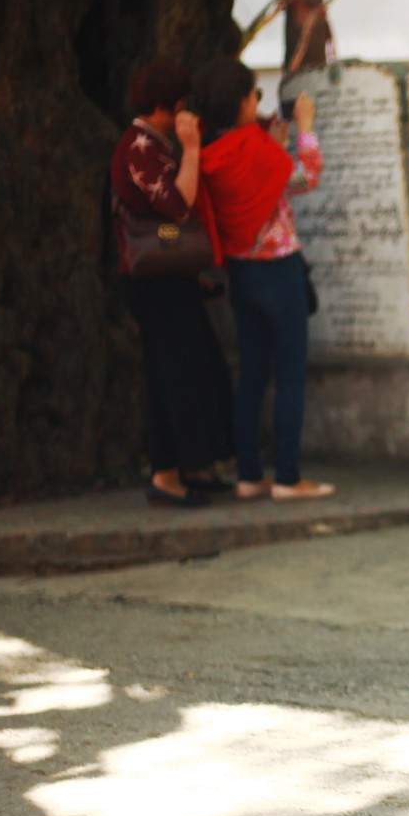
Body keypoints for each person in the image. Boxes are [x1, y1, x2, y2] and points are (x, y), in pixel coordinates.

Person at [191, 59, 335, 501]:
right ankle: (289, 478)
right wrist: (305, 128)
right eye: (254, 95)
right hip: (279, 269)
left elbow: (254, 182)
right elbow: (305, 176)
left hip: (240, 272)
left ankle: (249, 476)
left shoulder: (212, 153)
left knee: (252, 374)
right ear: (240, 103)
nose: (258, 101)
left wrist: (272, 143)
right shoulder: (254, 148)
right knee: (290, 374)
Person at [109, 61, 233, 508]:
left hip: (170, 274)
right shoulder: (140, 147)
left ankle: (195, 465)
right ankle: (166, 475)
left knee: (196, 369)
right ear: (163, 106)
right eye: (180, 105)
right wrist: (192, 149)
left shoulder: (153, 144)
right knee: (171, 376)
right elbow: (176, 210)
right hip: (153, 280)